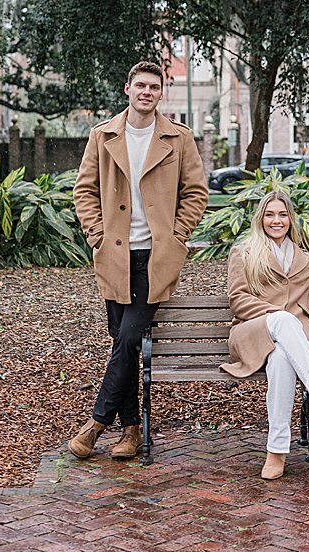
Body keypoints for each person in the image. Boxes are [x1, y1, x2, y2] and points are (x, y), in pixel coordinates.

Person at [68, 61, 208, 460]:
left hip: (157, 256)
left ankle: (96, 424)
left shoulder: (178, 138)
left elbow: (196, 192)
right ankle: (130, 431)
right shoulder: (103, 135)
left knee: (130, 337)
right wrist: (97, 235)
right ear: (127, 89)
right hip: (115, 254)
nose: (147, 92)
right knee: (123, 343)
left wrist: (177, 236)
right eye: (141, 85)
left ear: (161, 93)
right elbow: (84, 191)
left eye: (154, 87)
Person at [220, 189, 309, 480]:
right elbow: (238, 299)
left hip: (290, 346)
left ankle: (276, 452)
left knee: (282, 360)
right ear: (261, 219)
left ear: (290, 220)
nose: (277, 220)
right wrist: (275, 315)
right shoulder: (244, 252)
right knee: (284, 320)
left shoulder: (303, 259)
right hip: (253, 333)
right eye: (270, 215)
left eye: (282, 215)